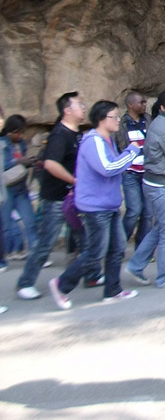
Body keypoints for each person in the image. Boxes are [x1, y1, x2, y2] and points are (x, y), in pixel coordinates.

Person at [49, 101, 139, 309]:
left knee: (117, 248)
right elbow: (108, 168)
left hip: (109, 205)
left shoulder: (108, 140)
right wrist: (131, 152)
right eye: (113, 117)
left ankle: (113, 290)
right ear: (101, 119)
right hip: (95, 207)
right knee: (95, 251)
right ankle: (61, 285)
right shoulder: (93, 141)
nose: (118, 120)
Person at [17, 92, 86, 300]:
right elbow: (50, 164)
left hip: (74, 197)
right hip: (57, 198)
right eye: (79, 104)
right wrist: (74, 180)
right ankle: (25, 283)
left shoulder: (76, 134)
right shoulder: (59, 135)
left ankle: (90, 275)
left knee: (85, 240)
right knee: (46, 242)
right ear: (67, 110)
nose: (83, 107)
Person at [126, 91, 165, 288]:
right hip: (161, 185)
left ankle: (136, 265)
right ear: (163, 107)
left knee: (161, 227)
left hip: (153, 181)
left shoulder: (158, 124)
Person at [2, 115, 38, 261]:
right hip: (6, 190)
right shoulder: (2, 143)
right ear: (10, 131)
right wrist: (18, 161)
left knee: (30, 222)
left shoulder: (21, 143)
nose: (21, 136)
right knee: (5, 226)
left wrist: (29, 162)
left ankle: (36, 255)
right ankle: (4, 256)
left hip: (21, 189)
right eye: (18, 133)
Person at [115, 91, 149, 245]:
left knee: (148, 213)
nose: (144, 105)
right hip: (130, 173)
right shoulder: (122, 124)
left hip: (147, 172)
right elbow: (119, 147)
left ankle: (141, 251)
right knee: (134, 210)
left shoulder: (148, 120)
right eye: (141, 102)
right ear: (130, 105)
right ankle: (119, 246)